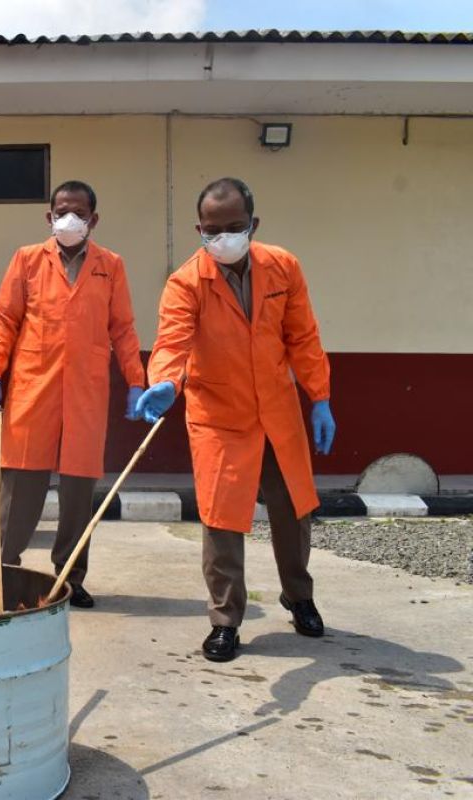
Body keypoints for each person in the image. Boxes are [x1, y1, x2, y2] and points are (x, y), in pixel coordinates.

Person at [136, 177, 336, 663]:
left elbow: (303, 336)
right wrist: (164, 382)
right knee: (221, 519)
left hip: (277, 410)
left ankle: (299, 595)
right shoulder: (187, 281)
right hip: (218, 415)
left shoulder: (283, 267)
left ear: (254, 224)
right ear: (198, 229)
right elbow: (172, 342)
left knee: (294, 510)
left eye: (233, 227)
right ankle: (225, 619)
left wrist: (320, 396)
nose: (222, 237)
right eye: (212, 229)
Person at [0, 180, 145, 609]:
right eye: (61, 211)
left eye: (79, 212)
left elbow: (123, 328)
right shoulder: (28, 260)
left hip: (86, 390)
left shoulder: (111, 265)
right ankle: (6, 569)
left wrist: (136, 381)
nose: (69, 218)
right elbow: (6, 320)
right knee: (20, 486)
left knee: (78, 491)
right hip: (35, 384)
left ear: (94, 219)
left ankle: (71, 577)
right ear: (48, 216)